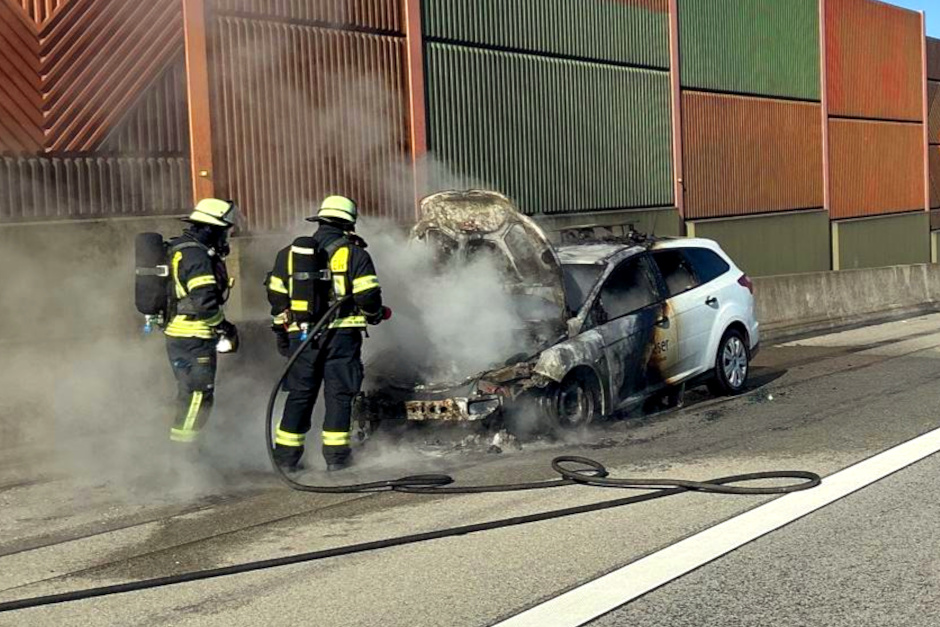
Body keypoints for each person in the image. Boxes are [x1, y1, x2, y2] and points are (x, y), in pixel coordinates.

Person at [265, 195, 389, 472]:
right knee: (339, 395)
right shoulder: (355, 254)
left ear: (320, 221)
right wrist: (374, 315)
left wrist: (283, 333)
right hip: (341, 338)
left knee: (299, 394)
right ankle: (336, 459)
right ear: (349, 224)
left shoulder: (287, 255)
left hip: (302, 339)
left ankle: (285, 459)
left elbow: (276, 298)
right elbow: (368, 295)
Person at [164, 198, 239, 446]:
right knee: (198, 395)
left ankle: (183, 450)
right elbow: (205, 302)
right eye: (224, 231)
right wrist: (224, 327)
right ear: (211, 228)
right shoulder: (197, 256)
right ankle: (184, 455)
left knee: (189, 393)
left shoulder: (181, 248)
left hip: (180, 332)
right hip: (194, 335)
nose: (225, 237)